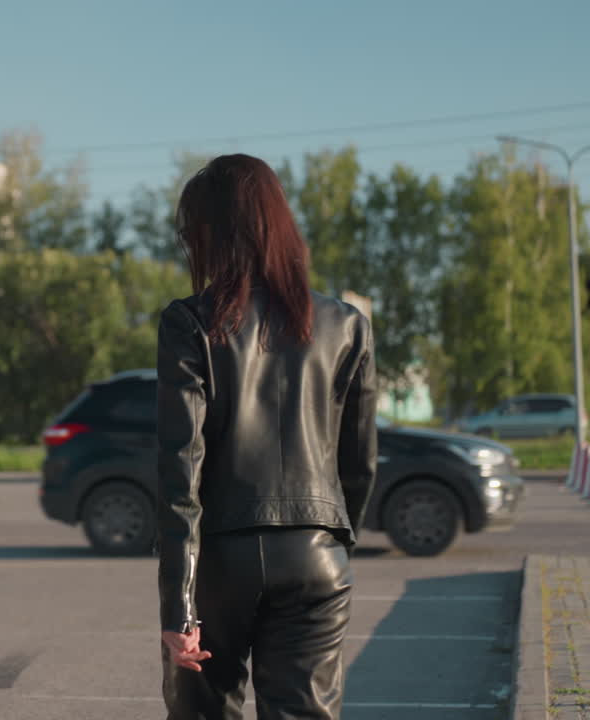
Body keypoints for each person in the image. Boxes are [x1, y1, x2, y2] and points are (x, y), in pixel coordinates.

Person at [155, 154, 377, 719]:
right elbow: (360, 464)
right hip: (317, 556)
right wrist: (330, 538)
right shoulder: (346, 325)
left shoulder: (191, 324)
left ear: (211, 234)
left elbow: (181, 470)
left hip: (220, 565)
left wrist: (179, 608)